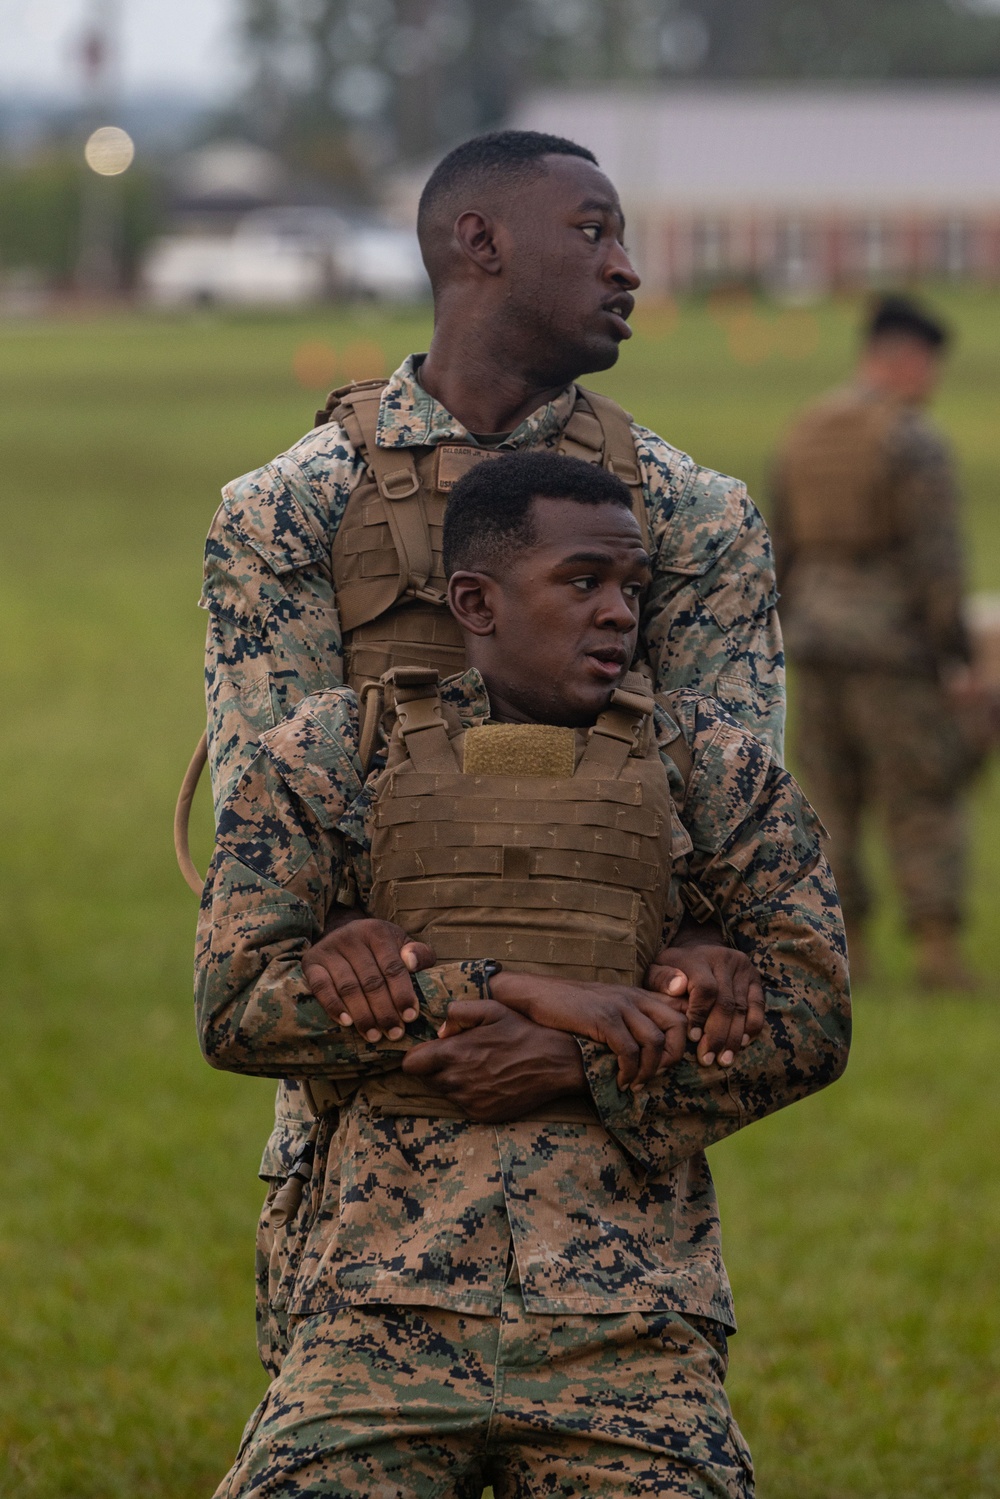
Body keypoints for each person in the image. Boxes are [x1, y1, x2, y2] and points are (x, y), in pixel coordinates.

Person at [196, 128, 786, 1371]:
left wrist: (654, 972)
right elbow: (271, 841)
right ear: (479, 242)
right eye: (593, 231)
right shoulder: (291, 506)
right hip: (372, 1115)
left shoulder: (691, 513)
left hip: (611, 1120)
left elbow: (737, 841)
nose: (627, 268)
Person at [196, 454, 850, 1499]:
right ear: (474, 601)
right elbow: (235, 1005)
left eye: (633, 589)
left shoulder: (712, 770)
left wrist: (573, 1058)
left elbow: (811, 1015)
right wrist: (508, 986)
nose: (617, 615)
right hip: (375, 1318)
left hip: (630, 1333)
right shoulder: (334, 754)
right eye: (582, 581)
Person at [771, 293, 975, 989]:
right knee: (923, 795)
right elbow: (937, 561)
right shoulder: (911, 437)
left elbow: (781, 547)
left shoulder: (805, 428)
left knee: (830, 803)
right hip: (892, 648)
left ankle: (844, 954)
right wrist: (956, 652)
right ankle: (937, 952)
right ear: (910, 360)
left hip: (812, 639)